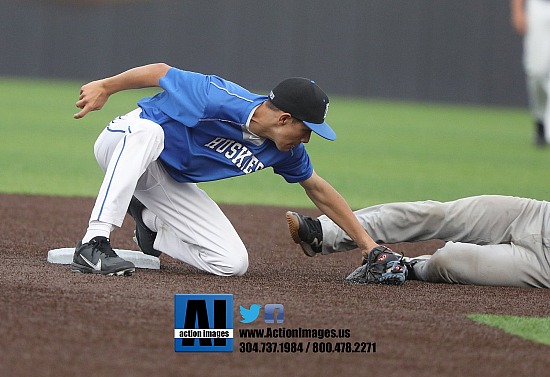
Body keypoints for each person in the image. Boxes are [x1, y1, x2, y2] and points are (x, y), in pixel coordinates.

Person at [70, 63, 385, 276]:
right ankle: (94, 243)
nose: (306, 139)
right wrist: (106, 87)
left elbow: (318, 189)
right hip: (124, 141)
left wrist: (367, 244)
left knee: (232, 263)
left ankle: (151, 226)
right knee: (150, 132)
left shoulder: (285, 151)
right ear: (284, 118)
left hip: (162, 178)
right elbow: (160, 71)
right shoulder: (216, 97)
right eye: (306, 130)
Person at [287, 195, 550, 288]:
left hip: (542, 266)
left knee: (448, 261)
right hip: (538, 215)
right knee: (435, 214)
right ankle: (323, 232)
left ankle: (407, 266)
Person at [511, 0, 550, 146]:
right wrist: (518, 10)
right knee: (536, 71)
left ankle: (547, 129)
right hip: (538, 7)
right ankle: (540, 119)